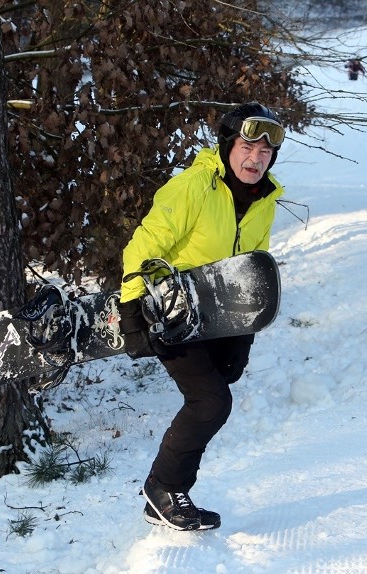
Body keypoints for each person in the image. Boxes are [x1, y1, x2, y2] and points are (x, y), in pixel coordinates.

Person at [118, 102, 286, 531]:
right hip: (169, 309)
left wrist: (243, 332)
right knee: (211, 401)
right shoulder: (194, 186)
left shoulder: (265, 199)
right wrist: (133, 310)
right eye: (248, 146)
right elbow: (145, 244)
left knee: (218, 389)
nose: (256, 158)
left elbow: (248, 266)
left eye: (266, 152)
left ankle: (164, 489)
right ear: (228, 145)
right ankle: (162, 492)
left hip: (216, 315)